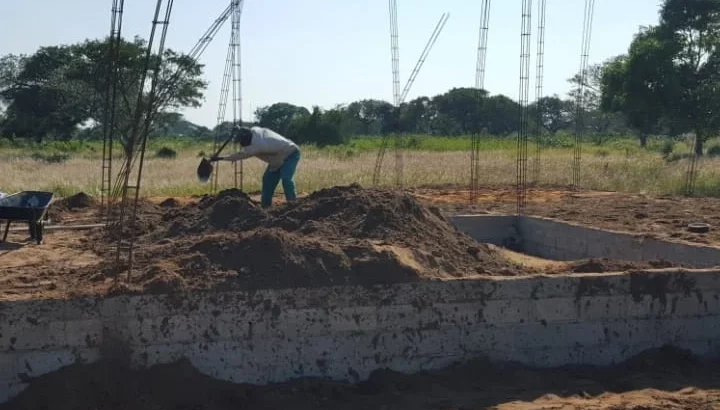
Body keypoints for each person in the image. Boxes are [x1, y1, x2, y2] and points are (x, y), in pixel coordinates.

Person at [211, 125, 300, 208]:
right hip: (276, 159)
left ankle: (292, 205)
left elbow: (240, 155)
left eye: (241, 140)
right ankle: (266, 208)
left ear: (246, 138)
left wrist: (220, 158)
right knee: (267, 180)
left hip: (290, 152)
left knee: (286, 179)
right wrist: (239, 129)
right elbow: (248, 133)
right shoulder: (254, 131)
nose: (241, 143)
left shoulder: (257, 146)